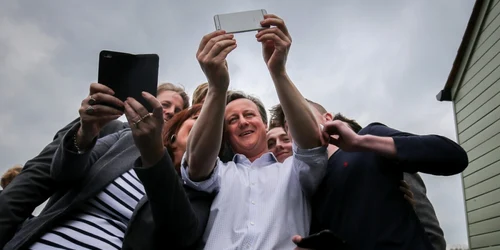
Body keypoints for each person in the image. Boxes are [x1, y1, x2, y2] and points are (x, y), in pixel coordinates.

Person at [182, 14, 328, 249]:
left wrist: (278, 71)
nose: (242, 122)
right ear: (226, 134)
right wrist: (217, 87)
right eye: (232, 119)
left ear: (264, 124)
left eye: (249, 115)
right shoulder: (221, 173)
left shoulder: (293, 170)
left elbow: (312, 145)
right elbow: (196, 164)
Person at [5, 84, 210, 250]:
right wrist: (86, 133)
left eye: (177, 111)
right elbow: (51, 175)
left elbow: (180, 234)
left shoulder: (195, 187)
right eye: (163, 104)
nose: (169, 113)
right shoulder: (119, 135)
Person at [269, 101, 467, 249]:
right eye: (290, 126)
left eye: (300, 115)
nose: (297, 126)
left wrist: (362, 143)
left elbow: (453, 157)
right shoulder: (300, 188)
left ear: (327, 119)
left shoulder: (369, 140)